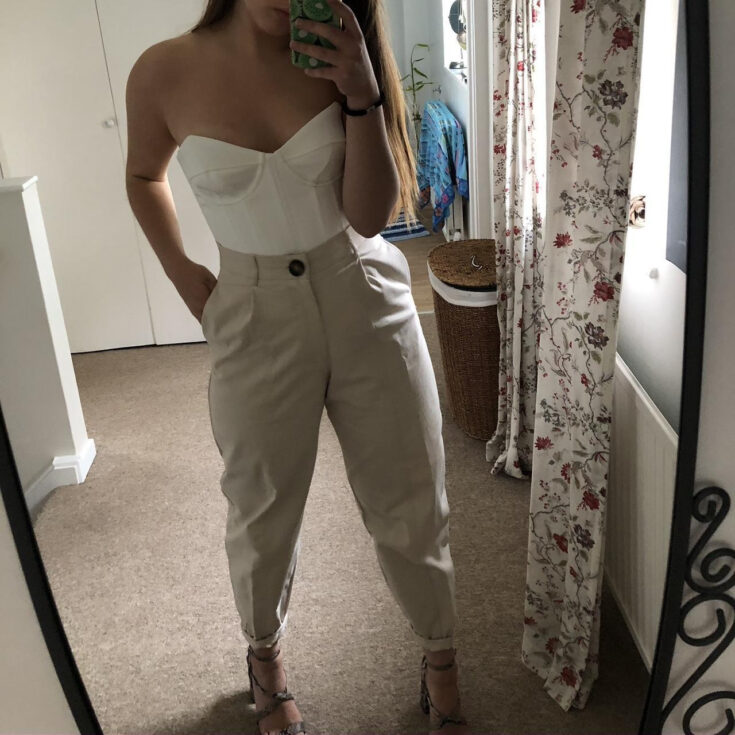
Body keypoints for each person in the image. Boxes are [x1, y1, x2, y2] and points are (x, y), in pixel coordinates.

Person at [124, 1, 470, 733]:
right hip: (253, 313)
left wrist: (362, 92)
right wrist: (184, 274)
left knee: (411, 489)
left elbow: (371, 216)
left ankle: (440, 656)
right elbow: (142, 174)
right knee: (261, 503)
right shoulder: (162, 71)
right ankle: (265, 658)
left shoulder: (341, 50)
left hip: (363, 292)